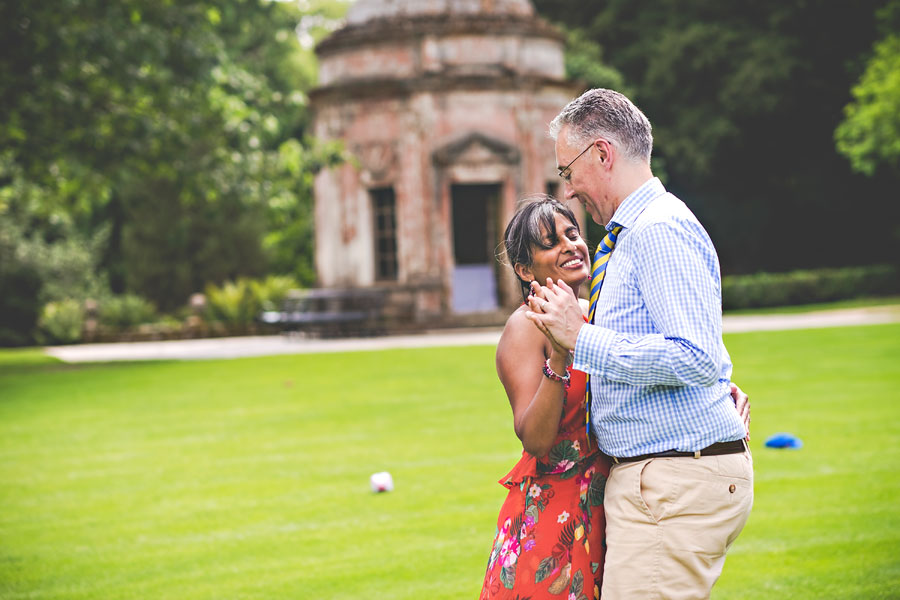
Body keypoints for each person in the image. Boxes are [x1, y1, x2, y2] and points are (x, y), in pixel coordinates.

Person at [526, 88, 753, 599]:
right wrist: (718, 392)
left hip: (672, 483)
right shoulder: (636, 234)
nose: (569, 190)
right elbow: (696, 352)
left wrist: (580, 338)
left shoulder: (657, 230)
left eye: (569, 172)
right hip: (667, 478)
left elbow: (693, 354)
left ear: (602, 154)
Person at [480, 196, 750, 599]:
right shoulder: (525, 326)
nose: (570, 245)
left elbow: (654, 368)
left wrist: (716, 400)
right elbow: (534, 440)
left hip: (611, 506)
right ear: (524, 269)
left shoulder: (597, 315)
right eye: (550, 242)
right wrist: (559, 353)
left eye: (573, 233)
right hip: (553, 516)